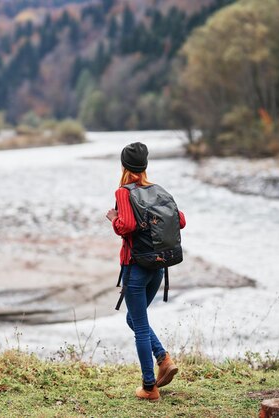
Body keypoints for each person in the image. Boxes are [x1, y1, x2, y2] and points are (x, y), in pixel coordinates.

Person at [105, 142, 186, 401]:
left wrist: (113, 219)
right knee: (135, 320)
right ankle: (163, 359)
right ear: (145, 166)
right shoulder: (158, 191)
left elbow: (126, 225)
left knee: (138, 325)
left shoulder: (123, 193)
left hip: (136, 268)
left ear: (124, 166)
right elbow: (181, 220)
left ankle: (149, 387)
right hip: (158, 268)